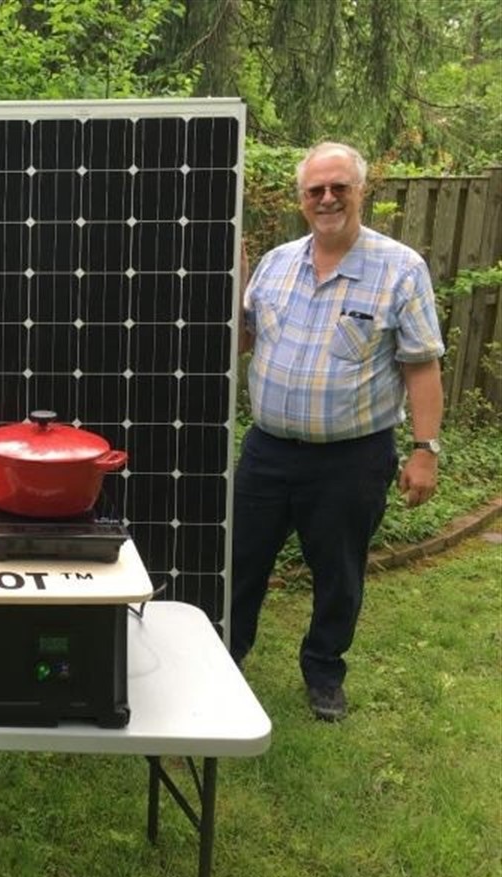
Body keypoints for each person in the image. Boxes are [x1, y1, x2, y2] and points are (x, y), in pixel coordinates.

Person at [232, 141, 445, 722]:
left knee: (339, 574)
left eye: (338, 188)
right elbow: (245, 340)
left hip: (351, 459)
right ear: (303, 199)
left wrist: (425, 450)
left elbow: (421, 364)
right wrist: (228, 286)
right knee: (240, 563)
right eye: (315, 190)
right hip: (267, 451)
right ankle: (224, 661)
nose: (326, 199)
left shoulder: (401, 269)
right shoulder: (276, 264)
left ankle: (324, 671)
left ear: (360, 191)